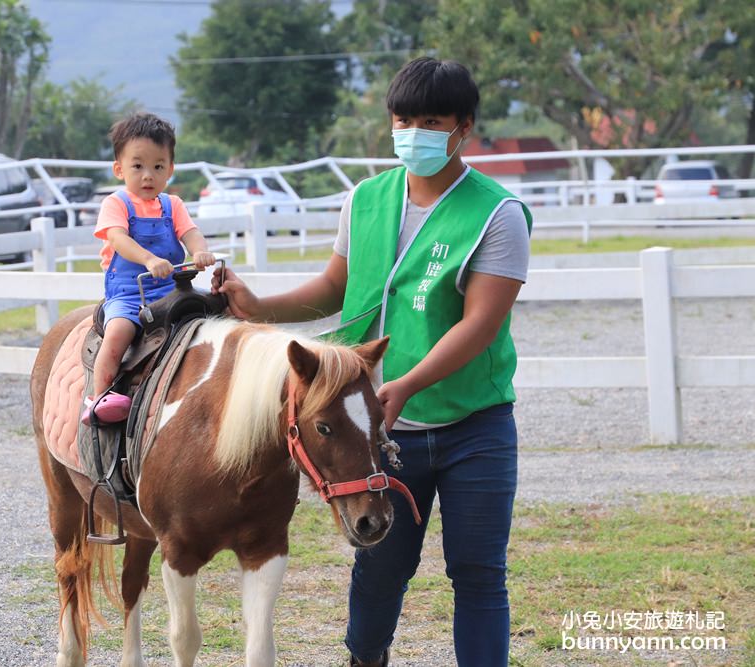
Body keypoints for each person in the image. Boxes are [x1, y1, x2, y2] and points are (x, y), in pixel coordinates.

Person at [212, 57, 532, 666]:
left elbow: (481, 323)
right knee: (380, 568)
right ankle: (365, 657)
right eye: (403, 118)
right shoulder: (365, 200)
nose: (413, 132)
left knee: (478, 571)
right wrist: (260, 306)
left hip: (475, 426)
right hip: (374, 427)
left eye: (431, 120)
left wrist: (406, 384)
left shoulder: (498, 214)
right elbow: (336, 287)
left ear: (465, 127)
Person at [84, 112, 216, 424]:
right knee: (118, 332)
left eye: (158, 166)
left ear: (169, 169)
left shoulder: (173, 206)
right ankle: (99, 396)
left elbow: (190, 233)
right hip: (131, 294)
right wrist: (149, 259)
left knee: (218, 315)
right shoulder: (116, 204)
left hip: (171, 289)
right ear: (119, 169)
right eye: (138, 166)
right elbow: (117, 239)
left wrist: (200, 251)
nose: (148, 175)